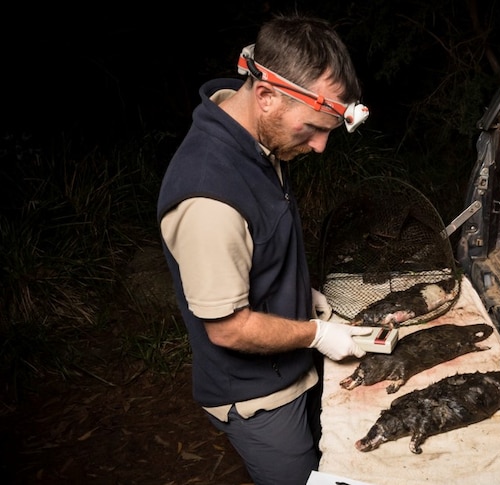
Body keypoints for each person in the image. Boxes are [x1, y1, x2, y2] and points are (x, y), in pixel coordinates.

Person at [157, 13, 372, 485]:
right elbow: (229, 329)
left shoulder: (261, 141)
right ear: (266, 95)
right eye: (313, 129)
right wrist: (315, 334)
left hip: (294, 370)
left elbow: (261, 249)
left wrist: (301, 293)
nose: (319, 147)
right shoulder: (208, 195)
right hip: (261, 401)